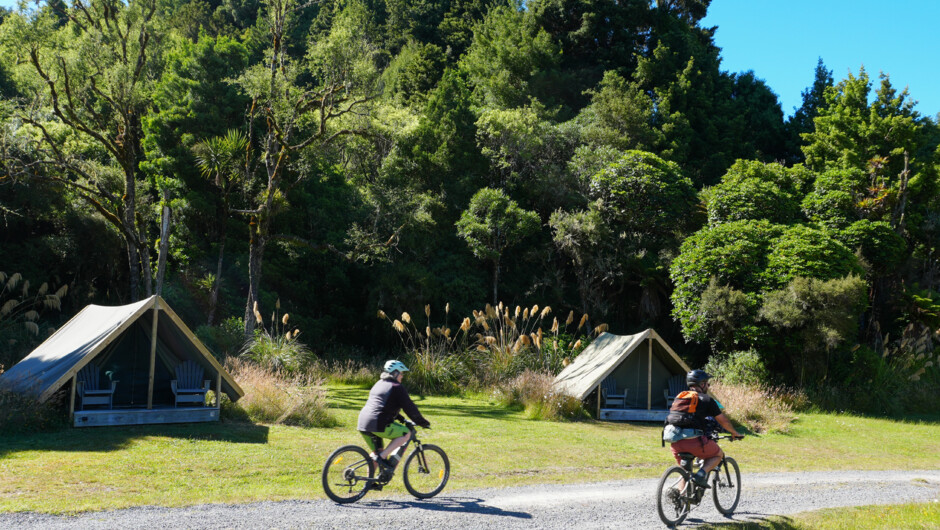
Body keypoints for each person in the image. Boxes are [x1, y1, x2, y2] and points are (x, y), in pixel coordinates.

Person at [668, 369, 743, 488]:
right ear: (702, 384)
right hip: (694, 442)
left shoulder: (681, 397)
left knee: (686, 471)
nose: (708, 386)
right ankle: (700, 475)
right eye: (707, 383)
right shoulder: (707, 400)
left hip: (675, 442)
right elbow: (723, 421)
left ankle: (679, 495)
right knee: (718, 454)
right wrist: (735, 432)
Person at [357, 360, 430, 478]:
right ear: (395, 373)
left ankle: (369, 481)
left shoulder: (379, 383)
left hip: (363, 422)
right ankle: (382, 457)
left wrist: (401, 419)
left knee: (377, 451)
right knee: (406, 433)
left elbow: (385, 405)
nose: (402, 376)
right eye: (401, 373)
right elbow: (409, 407)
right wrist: (422, 422)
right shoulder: (397, 387)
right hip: (377, 423)